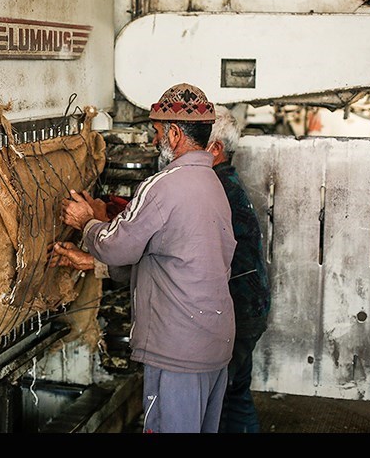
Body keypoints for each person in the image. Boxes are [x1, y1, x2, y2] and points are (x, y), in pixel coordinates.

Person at [52, 83, 236, 433]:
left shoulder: (164, 184)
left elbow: (115, 246)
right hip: (213, 344)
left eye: (156, 132)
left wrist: (86, 222)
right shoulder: (213, 184)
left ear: (175, 133)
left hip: (178, 350)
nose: (155, 141)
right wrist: (88, 262)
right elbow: (172, 260)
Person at [207, 106, 271, 433]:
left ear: (215, 149)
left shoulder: (216, 190)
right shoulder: (225, 182)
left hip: (239, 311)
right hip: (250, 308)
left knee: (219, 402)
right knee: (235, 395)